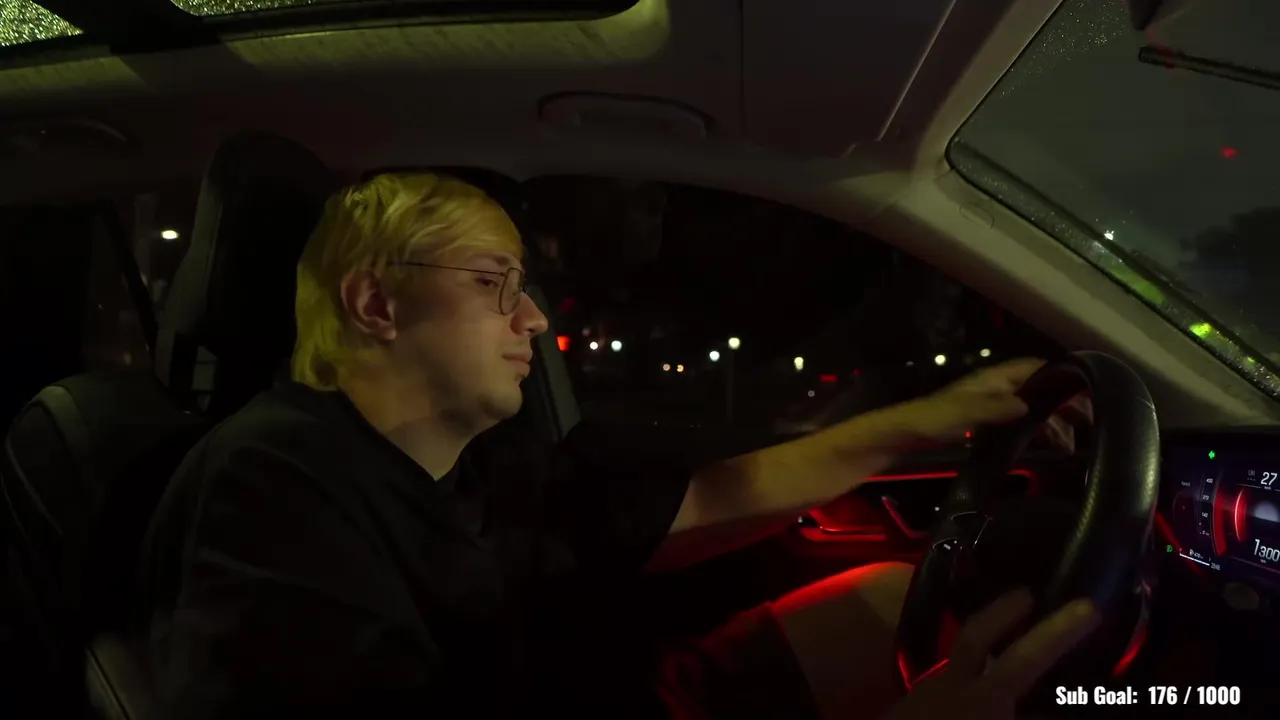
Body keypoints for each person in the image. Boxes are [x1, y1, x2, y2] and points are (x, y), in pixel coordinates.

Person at [133, 173, 1099, 719]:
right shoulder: (274, 489)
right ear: (376, 303)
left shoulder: (476, 462)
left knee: (888, 601)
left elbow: (707, 501)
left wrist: (931, 417)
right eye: (494, 283)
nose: (533, 316)